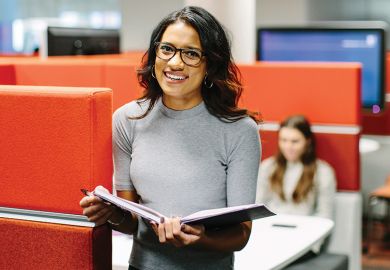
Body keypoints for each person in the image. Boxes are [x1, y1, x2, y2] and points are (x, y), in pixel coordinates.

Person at [80, 6, 261, 270]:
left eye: (191, 53)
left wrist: (201, 238)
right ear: (155, 56)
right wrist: (111, 214)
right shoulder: (127, 120)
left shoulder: (239, 130)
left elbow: (241, 234)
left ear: (210, 64)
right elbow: (131, 220)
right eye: (167, 49)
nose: (175, 62)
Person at [256, 115, 336, 220]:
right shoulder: (267, 167)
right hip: (270, 230)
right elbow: (258, 207)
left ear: (307, 142)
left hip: (307, 232)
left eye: (295, 141)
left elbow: (325, 216)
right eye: (283, 140)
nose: (288, 147)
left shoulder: (323, 172)